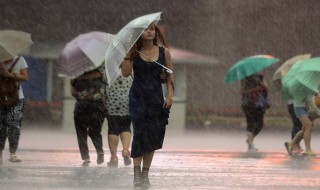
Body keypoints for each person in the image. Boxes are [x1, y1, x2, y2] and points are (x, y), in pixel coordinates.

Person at [121, 22, 174, 188]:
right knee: (140, 133)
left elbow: (170, 76)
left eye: (152, 29)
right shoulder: (134, 52)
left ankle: (145, 173)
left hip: (155, 98)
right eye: (145, 29)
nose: (149, 31)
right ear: (139, 34)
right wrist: (128, 54)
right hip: (137, 97)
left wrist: (170, 96)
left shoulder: (164, 52)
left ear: (155, 32)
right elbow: (125, 72)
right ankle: (136, 173)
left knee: (152, 136)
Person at [71, 65, 106, 167]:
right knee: (96, 131)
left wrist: (78, 81)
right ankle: (99, 151)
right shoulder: (101, 72)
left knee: (81, 132)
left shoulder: (77, 76)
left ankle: (85, 157)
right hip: (98, 107)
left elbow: (73, 93)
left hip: (81, 107)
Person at [0, 56, 28, 163]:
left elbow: (25, 77)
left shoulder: (20, 60)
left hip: (16, 98)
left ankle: (13, 153)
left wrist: (10, 75)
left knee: (14, 125)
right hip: (1, 98)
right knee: (1, 127)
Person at [105, 75, 132, 167]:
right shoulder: (129, 65)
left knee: (113, 128)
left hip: (112, 101)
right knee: (126, 126)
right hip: (127, 100)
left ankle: (114, 157)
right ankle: (125, 149)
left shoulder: (109, 67)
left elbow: (103, 81)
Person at [240, 73, 269, 152]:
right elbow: (242, 91)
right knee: (250, 124)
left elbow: (266, 88)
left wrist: (259, 82)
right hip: (249, 104)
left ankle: (250, 139)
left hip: (260, 105)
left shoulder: (261, 78)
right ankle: (250, 144)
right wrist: (253, 89)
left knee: (260, 125)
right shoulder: (245, 79)